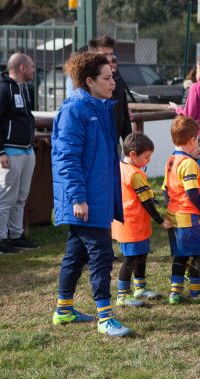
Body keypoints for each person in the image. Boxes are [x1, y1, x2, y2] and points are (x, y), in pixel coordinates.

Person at [51, 52, 130, 337]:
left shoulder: (100, 107)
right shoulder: (75, 110)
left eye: (113, 77)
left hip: (98, 196)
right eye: (107, 78)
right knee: (101, 256)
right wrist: (78, 198)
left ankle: (63, 309)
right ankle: (105, 317)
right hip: (86, 199)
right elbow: (66, 158)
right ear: (89, 81)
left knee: (77, 254)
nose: (113, 83)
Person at [0, 53, 39, 254]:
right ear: (23, 68)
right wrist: (0, 151)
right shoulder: (2, 89)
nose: (34, 70)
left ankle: (16, 237)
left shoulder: (23, 88)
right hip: (8, 152)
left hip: (26, 151)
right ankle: (0, 241)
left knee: (21, 197)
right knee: (6, 197)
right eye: (32, 66)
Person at [111, 133, 170, 307]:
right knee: (130, 259)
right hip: (132, 225)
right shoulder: (135, 175)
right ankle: (122, 295)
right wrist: (160, 220)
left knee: (141, 255)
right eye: (147, 157)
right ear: (133, 155)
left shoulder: (119, 168)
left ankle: (140, 288)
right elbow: (146, 202)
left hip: (129, 223)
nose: (149, 161)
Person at [162, 115, 200, 305]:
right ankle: (196, 292)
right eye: (197, 139)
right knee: (199, 254)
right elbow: (192, 193)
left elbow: (165, 190)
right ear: (191, 141)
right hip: (191, 219)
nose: (198, 142)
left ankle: (175, 292)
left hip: (174, 217)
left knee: (180, 255)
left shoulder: (171, 160)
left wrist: (171, 209)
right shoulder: (189, 163)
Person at [66, 36, 132, 151]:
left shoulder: (116, 76)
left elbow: (123, 111)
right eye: (104, 55)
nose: (109, 58)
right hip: (90, 146)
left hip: (113, 144)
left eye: (111, 54)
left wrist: (129, 145)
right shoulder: (78, 81)